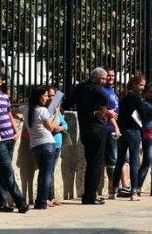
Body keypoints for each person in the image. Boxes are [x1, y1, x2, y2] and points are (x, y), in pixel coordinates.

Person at [63, 67, 110, 205]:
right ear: (96, 78)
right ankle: (90, 196)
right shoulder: (96, 89)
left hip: (85, 129)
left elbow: (67, 103)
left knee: (91, 162)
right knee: (96, 163)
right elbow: (105, 98)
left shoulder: (80, 87)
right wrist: (102, 111)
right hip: (97, 128)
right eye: (102, 78)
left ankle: (89, 194)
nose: (104, 81)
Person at [0, 71, 29, 213]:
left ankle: (0, 202)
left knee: (4, 171)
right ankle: (20, 201)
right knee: (8, 170)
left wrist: (16, 130)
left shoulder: (5, 97)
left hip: (9, 138)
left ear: (1, 82)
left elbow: (9, 114)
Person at [20, 86, 59, 210]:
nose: (47, 98)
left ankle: (40, 200)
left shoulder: (25, 108)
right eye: (45, 96)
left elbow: (12, 110)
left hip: (35, 145)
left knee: (42, 172)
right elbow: (51, 128)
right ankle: (42, 201)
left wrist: (21, 118)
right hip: (47, 143)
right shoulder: (42, 110)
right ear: (39, 96)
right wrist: (56, 113)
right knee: (47, 173)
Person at [112, 74, 145, 201]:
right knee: (133, 161)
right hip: (133, 130)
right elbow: (141, 112)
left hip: (122, 129)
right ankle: (134, 192)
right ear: (135, 84)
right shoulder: (135, 97)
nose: (142, 88)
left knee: (120, 160)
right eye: (141, 85)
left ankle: (114, 189)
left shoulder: (122, 95)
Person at [100, 67, 124, 198]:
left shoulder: (112, 91)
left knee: (118, 159)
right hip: (109, 128)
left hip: (116, 128)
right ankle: (112, 186)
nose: (111, 78)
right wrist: (109, 113)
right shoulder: (102, 91)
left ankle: (117, 185)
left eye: (113, 76)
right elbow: (102, 108)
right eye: (108, 76)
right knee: (112, 159)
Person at [46, 86, 68, 206]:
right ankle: (47, 197)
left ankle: (51, 196)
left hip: (58, 143)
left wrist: (62, 127)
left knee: (52, 171)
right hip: (50, 143)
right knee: (48, 171)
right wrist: (56, 127)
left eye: (53, 95)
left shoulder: (57, 110)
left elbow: (65, 124)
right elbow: (50, 126)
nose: (51, 98)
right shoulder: (46, 111)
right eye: (48, 95)